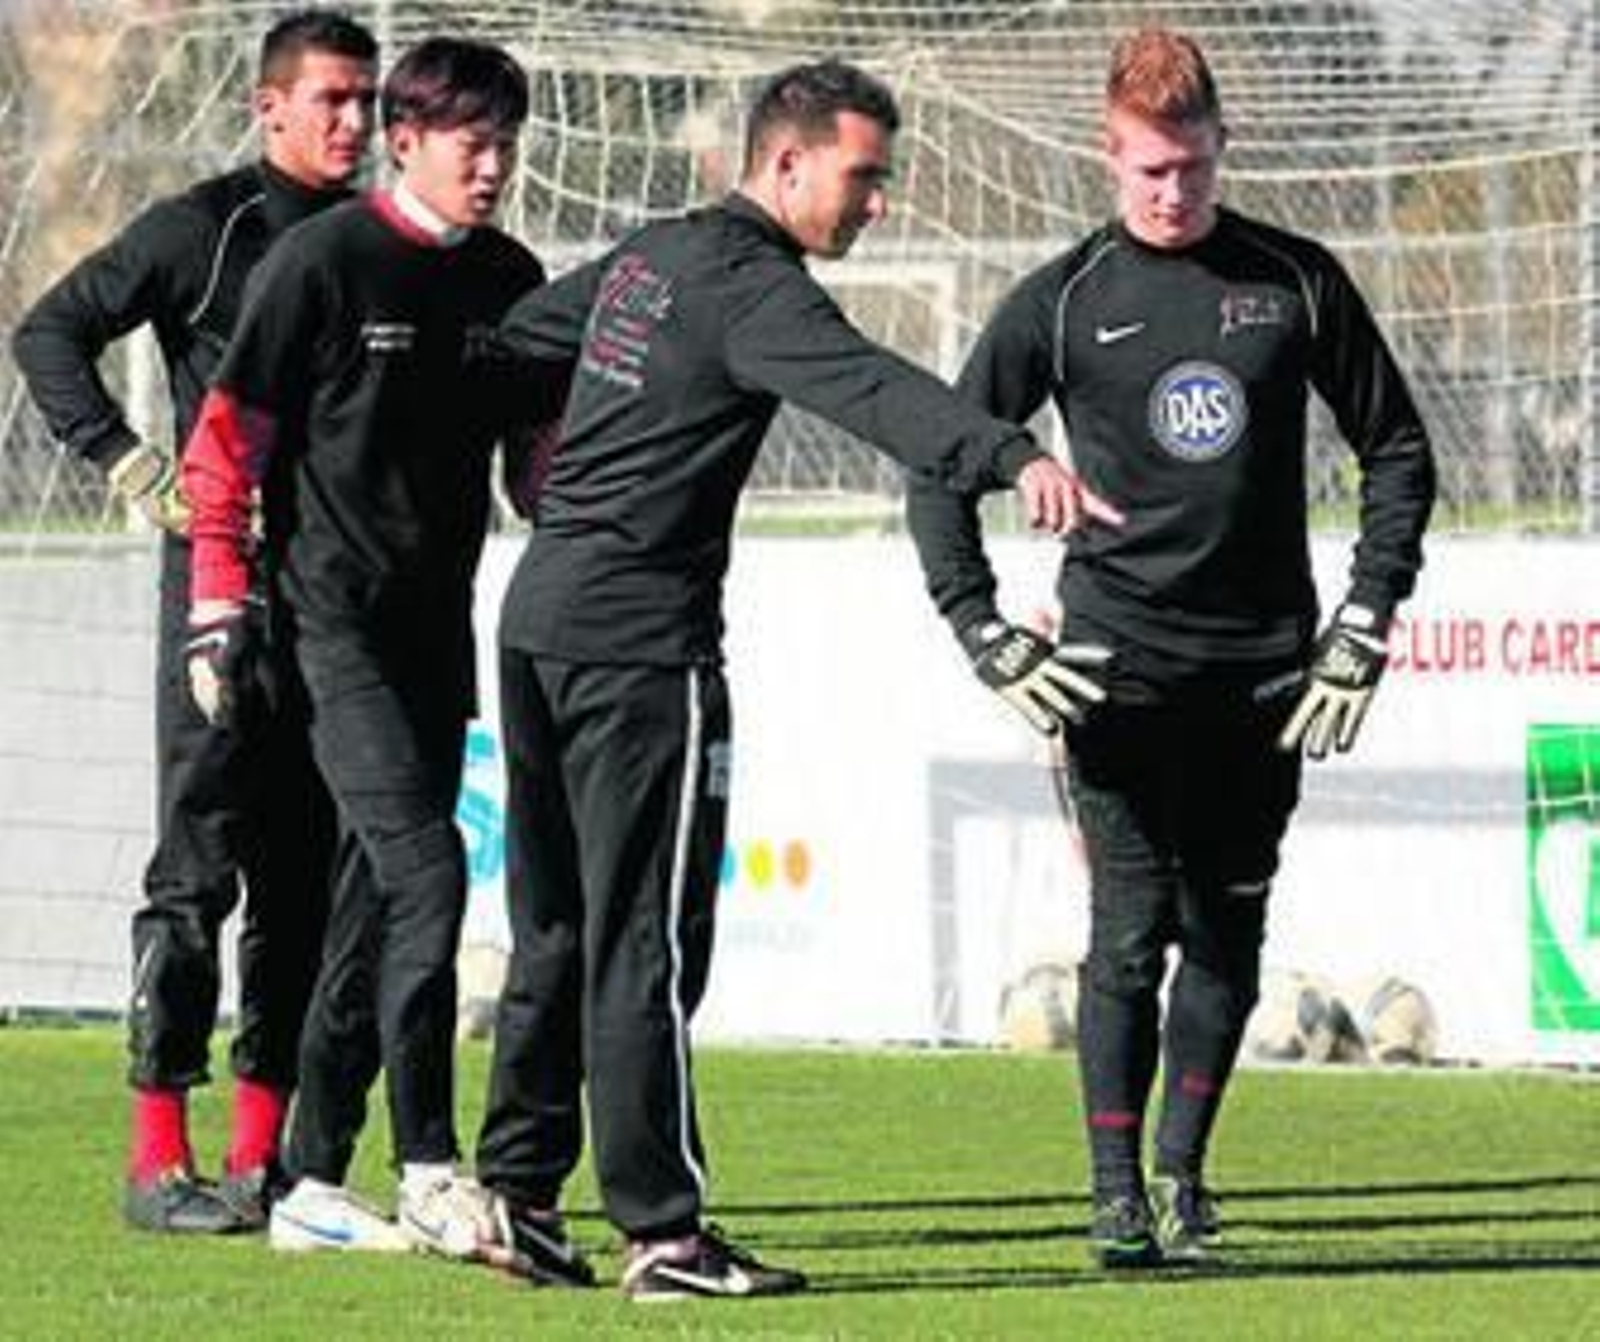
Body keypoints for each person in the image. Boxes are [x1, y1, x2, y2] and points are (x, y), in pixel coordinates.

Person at [469, 57, 1097, 1301]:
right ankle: (664, 1236)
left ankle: (520, 1197)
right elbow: (873, 389)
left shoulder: (653, 254)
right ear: (788, 161)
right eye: (863, 177)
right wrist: (1010, 453)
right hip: (640, 646)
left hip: (536, 620)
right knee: (644, 939)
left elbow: (522, 339)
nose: (877, 202)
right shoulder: (754, 286)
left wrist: (528, 441)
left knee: (555, 930)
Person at [906, 26, 1437, 1268]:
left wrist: (1364, 620)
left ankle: (1183, 1177)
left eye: (1193, 165)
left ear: (1221, 147)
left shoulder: (1294, 280)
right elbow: (940, 465)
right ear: (1110, 157)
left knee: (1229, 934)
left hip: (1268, 678)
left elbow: (1398, 453)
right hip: (1117, 674)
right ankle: (1113, 1195)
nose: (1172, 190)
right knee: (1128, 934)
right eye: (1150, 169)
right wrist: (981, 626)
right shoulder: (1063, 299)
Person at [180, 36, 551, 1261]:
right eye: (472, 143)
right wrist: (216, 604)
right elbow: (225, 443)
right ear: (406, 141)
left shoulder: (511, 277)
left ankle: (309, 1182)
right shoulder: (322, 263)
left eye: (506, 144)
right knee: (431, 874)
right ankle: (431, 1167)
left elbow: (534, 469)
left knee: (372, 906)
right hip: (324, 627)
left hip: (436, 636)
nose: (493, 166)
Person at [10, 9, 379, 1236]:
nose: (354, 121)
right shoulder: (203, 230)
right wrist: (129, 464)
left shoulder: (380, 239)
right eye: (330, 99)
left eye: (367, 100)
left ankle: (261, 1160)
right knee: (197, 867)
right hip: (217, 589)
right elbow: (48, 330)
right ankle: (157, 1159)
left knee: (306, 877)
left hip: (339, 596)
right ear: (268, 107)